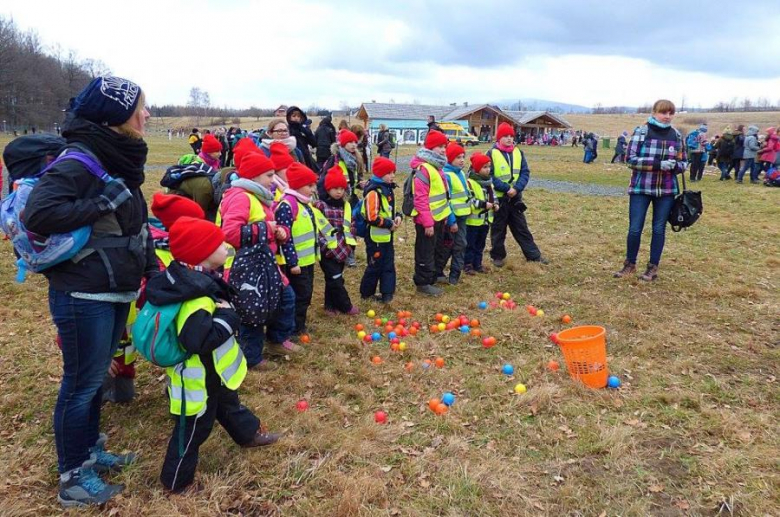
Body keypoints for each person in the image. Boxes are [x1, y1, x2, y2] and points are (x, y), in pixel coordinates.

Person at [22, 76, 154, 507]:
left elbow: (132, 222)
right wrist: (102, 202)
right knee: (80, 385)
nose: (147, 114)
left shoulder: (116, 156)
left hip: (112, 288)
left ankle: (91, 452)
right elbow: (39, 212)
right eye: (141, 107)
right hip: (84, 293)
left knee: (95, 380)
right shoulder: (80, 160)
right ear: (116, 116)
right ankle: (73, 476)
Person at [150, 217, 281, 493]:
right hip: (198, 376)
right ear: (203, 254)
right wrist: (227, 315)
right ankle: (176, 482)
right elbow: (199, 340)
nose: (226, 246)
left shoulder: (201, 280)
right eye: (219, 244)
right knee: (194, 427)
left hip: (214, 371)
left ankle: (247, 434)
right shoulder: (195, 297)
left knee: (228, 403)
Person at [217, 152, 300, 368]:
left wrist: (280, 232)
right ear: (254, 177)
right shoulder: (241, 197)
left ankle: (276, 340)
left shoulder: (258, 197)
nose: (273, 180)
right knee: (252, 312)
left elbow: (269, 226)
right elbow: (231, 233)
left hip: (264, 263)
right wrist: (266, 228)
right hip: (244, 267)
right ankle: (251, 358)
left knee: (286, 298)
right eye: (269, 175)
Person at [615, 99, 687, 282]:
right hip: (641, 188)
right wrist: (657, 164)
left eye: (671, 113)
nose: (667, 116)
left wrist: (675, 166)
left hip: (666, 191)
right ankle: (629, 264)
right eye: (664, 113)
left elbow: (684, 162)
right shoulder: (641, 132)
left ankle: (652, 267)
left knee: (659, 229)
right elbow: (630, 159)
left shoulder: (676, 136)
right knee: (635, 229)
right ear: (654, 112)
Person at [275, 163, 332, 335]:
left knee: (306, 294)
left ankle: (299, 324)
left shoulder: (304, 203)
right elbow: (286, 237)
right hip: (296, 263)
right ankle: (294, 328)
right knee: (300, 295)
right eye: (310, 185)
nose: (314, 189)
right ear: (298, 186)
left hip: (307, 260)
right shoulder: (288, 206)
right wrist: (292, 263)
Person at [488, 122, 547, 267]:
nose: (509, 139)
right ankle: (497, 256)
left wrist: (517, 188)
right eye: (505, 136)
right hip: (499, 199)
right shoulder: (491, 153)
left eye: (511, 136)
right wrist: (506, 188)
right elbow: (489, 175)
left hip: (515, 199)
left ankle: (533, 255)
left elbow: (525, 173)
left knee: (521, 228)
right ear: (499, 138)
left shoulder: (519, 152)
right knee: (498, 229)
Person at [410, 129, 455, 296]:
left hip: (439, 218)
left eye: (445, 146)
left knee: (436, 248)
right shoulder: (424, 169)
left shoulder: (437, 167)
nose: (443, 150)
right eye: (439, 147)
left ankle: (433, 276)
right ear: (430, 148)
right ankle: (422, 282)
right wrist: (427, 222)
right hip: (427, 221)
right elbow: (420, 199)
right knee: (425, 252)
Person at [314, 166, 359, 315]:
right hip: (327, 249)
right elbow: (317, 228)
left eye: (342, 188)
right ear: (327, 189)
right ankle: (345, 305)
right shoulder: (320, 206)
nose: (339, 192)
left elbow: (350, 224)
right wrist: (324, 245)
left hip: (343, 248)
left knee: (332, 279)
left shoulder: (346, 205)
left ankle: (330, 305)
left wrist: (351, 243)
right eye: (335, 188)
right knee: (336, 278)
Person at [359, 157, 401, 303]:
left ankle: (387, 293)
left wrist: (398, 216)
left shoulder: (388, 189)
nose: (392, 176)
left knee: (388, 265)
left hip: (387, 237)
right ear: (380, 174)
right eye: (389, 173)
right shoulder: (374, 192)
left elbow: (390, 210)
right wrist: (388, 224)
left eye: (393, 172)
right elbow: (371, 216)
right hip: (375, 238)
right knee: (374, 266)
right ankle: (367, 293)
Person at [438, 142, 470, 285]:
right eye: (458, 157)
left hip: (462, 217)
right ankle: (437, 271)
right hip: (452, 218)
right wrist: (451, 220)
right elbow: (447, 199)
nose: (462, 160)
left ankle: (455, 274)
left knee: (460, 244)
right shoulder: (447, 175)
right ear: (450, 159)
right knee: (447, 246)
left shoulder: (461, 173)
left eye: (463, 156)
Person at [464, 152, 497, 275]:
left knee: (481, 244)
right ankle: (467, 264)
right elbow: (470, 199)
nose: (488, 169)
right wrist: (483, 204)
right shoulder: (470, 183)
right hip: (473, 221)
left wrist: (496, 204)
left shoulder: (489, 182)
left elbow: (493, 196)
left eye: (489, 166)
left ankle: (478, 264)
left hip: (485, 220)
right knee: (470, 244)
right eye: (485, 167)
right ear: (477, 168)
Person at [286, 106, 318, 171]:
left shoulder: (303, 129)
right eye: (294, 116)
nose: (296, 118)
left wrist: (307, 133)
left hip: (306, 157)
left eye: (298, 116)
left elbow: (314, 143)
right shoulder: (287, 129)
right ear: (289, 117)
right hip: (293, 159)